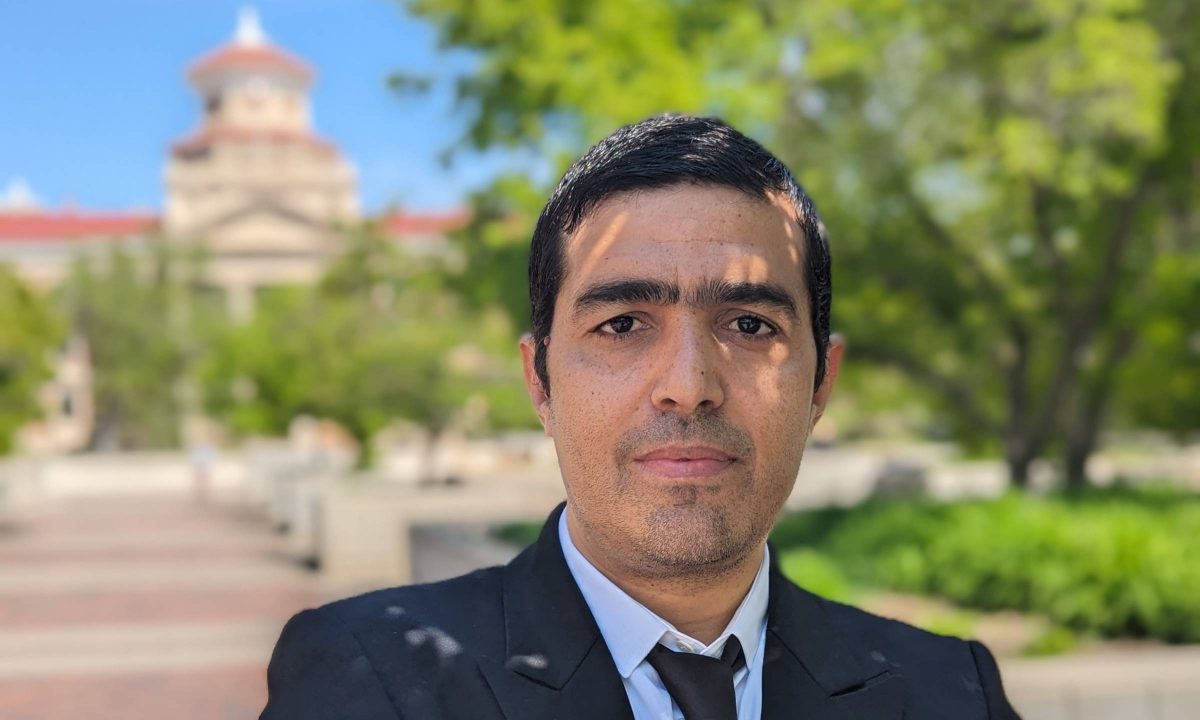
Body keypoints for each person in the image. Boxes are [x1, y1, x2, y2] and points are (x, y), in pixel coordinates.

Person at [260, 115, 1022, 719]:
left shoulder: (951, 691)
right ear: (540, 382)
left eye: (750, 325)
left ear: (821, 382)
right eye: (623, 323)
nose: (689, 387)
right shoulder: (373, 679)